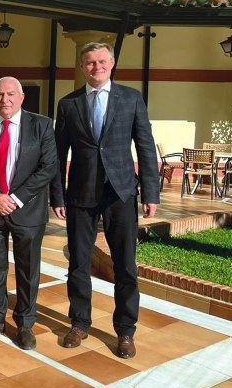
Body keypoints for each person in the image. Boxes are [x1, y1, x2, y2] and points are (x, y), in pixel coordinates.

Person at [50, 42, 160, 359]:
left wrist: (150, 192)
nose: (96, 67)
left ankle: (125, 331)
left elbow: (146, 148)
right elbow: (58, 155)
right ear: (82, 67)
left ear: (111, 63)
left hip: (121, 192)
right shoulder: (68, 104)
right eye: (89, 62)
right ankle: (79, 323)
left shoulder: (131, 98)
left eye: (101, 61)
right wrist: (57, 194)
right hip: (80, 195)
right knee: (78, 264)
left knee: (125, 265)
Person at [0, 77, 58, 349]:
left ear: (21, 97)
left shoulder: (42, 125)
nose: (4, 100)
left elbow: (48, 167)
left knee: (28, 271)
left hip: (27, 212)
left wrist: (15, 199)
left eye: (10, 94)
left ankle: (26, 323)